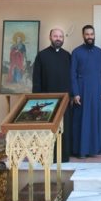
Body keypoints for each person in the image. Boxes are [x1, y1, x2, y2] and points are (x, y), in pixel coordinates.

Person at [32, 28, 72, 162]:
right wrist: (37, 98)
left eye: (61, 36)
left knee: (64, 128)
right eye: (55, 36)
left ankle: (63, 156)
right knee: (48, 129)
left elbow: (71, 78)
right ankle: (46, 155)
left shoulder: (67, 56)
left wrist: (71, 95)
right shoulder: (41, 55)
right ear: (50, 37)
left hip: (64, 99)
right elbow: (36, 78)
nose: (58, 38)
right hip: (46, 99)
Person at [70, 25, 101, 158]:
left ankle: (96, 149)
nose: (90, 36)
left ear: (94, 35)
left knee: (96, 119)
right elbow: (72, 75)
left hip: (97, 90)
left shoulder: (100, 52)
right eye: (87, 34)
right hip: (82, 90)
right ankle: (82, 150)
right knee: (82, 120)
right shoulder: (76, 52)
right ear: (83, 35)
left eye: (91, 34)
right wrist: (75, 93)